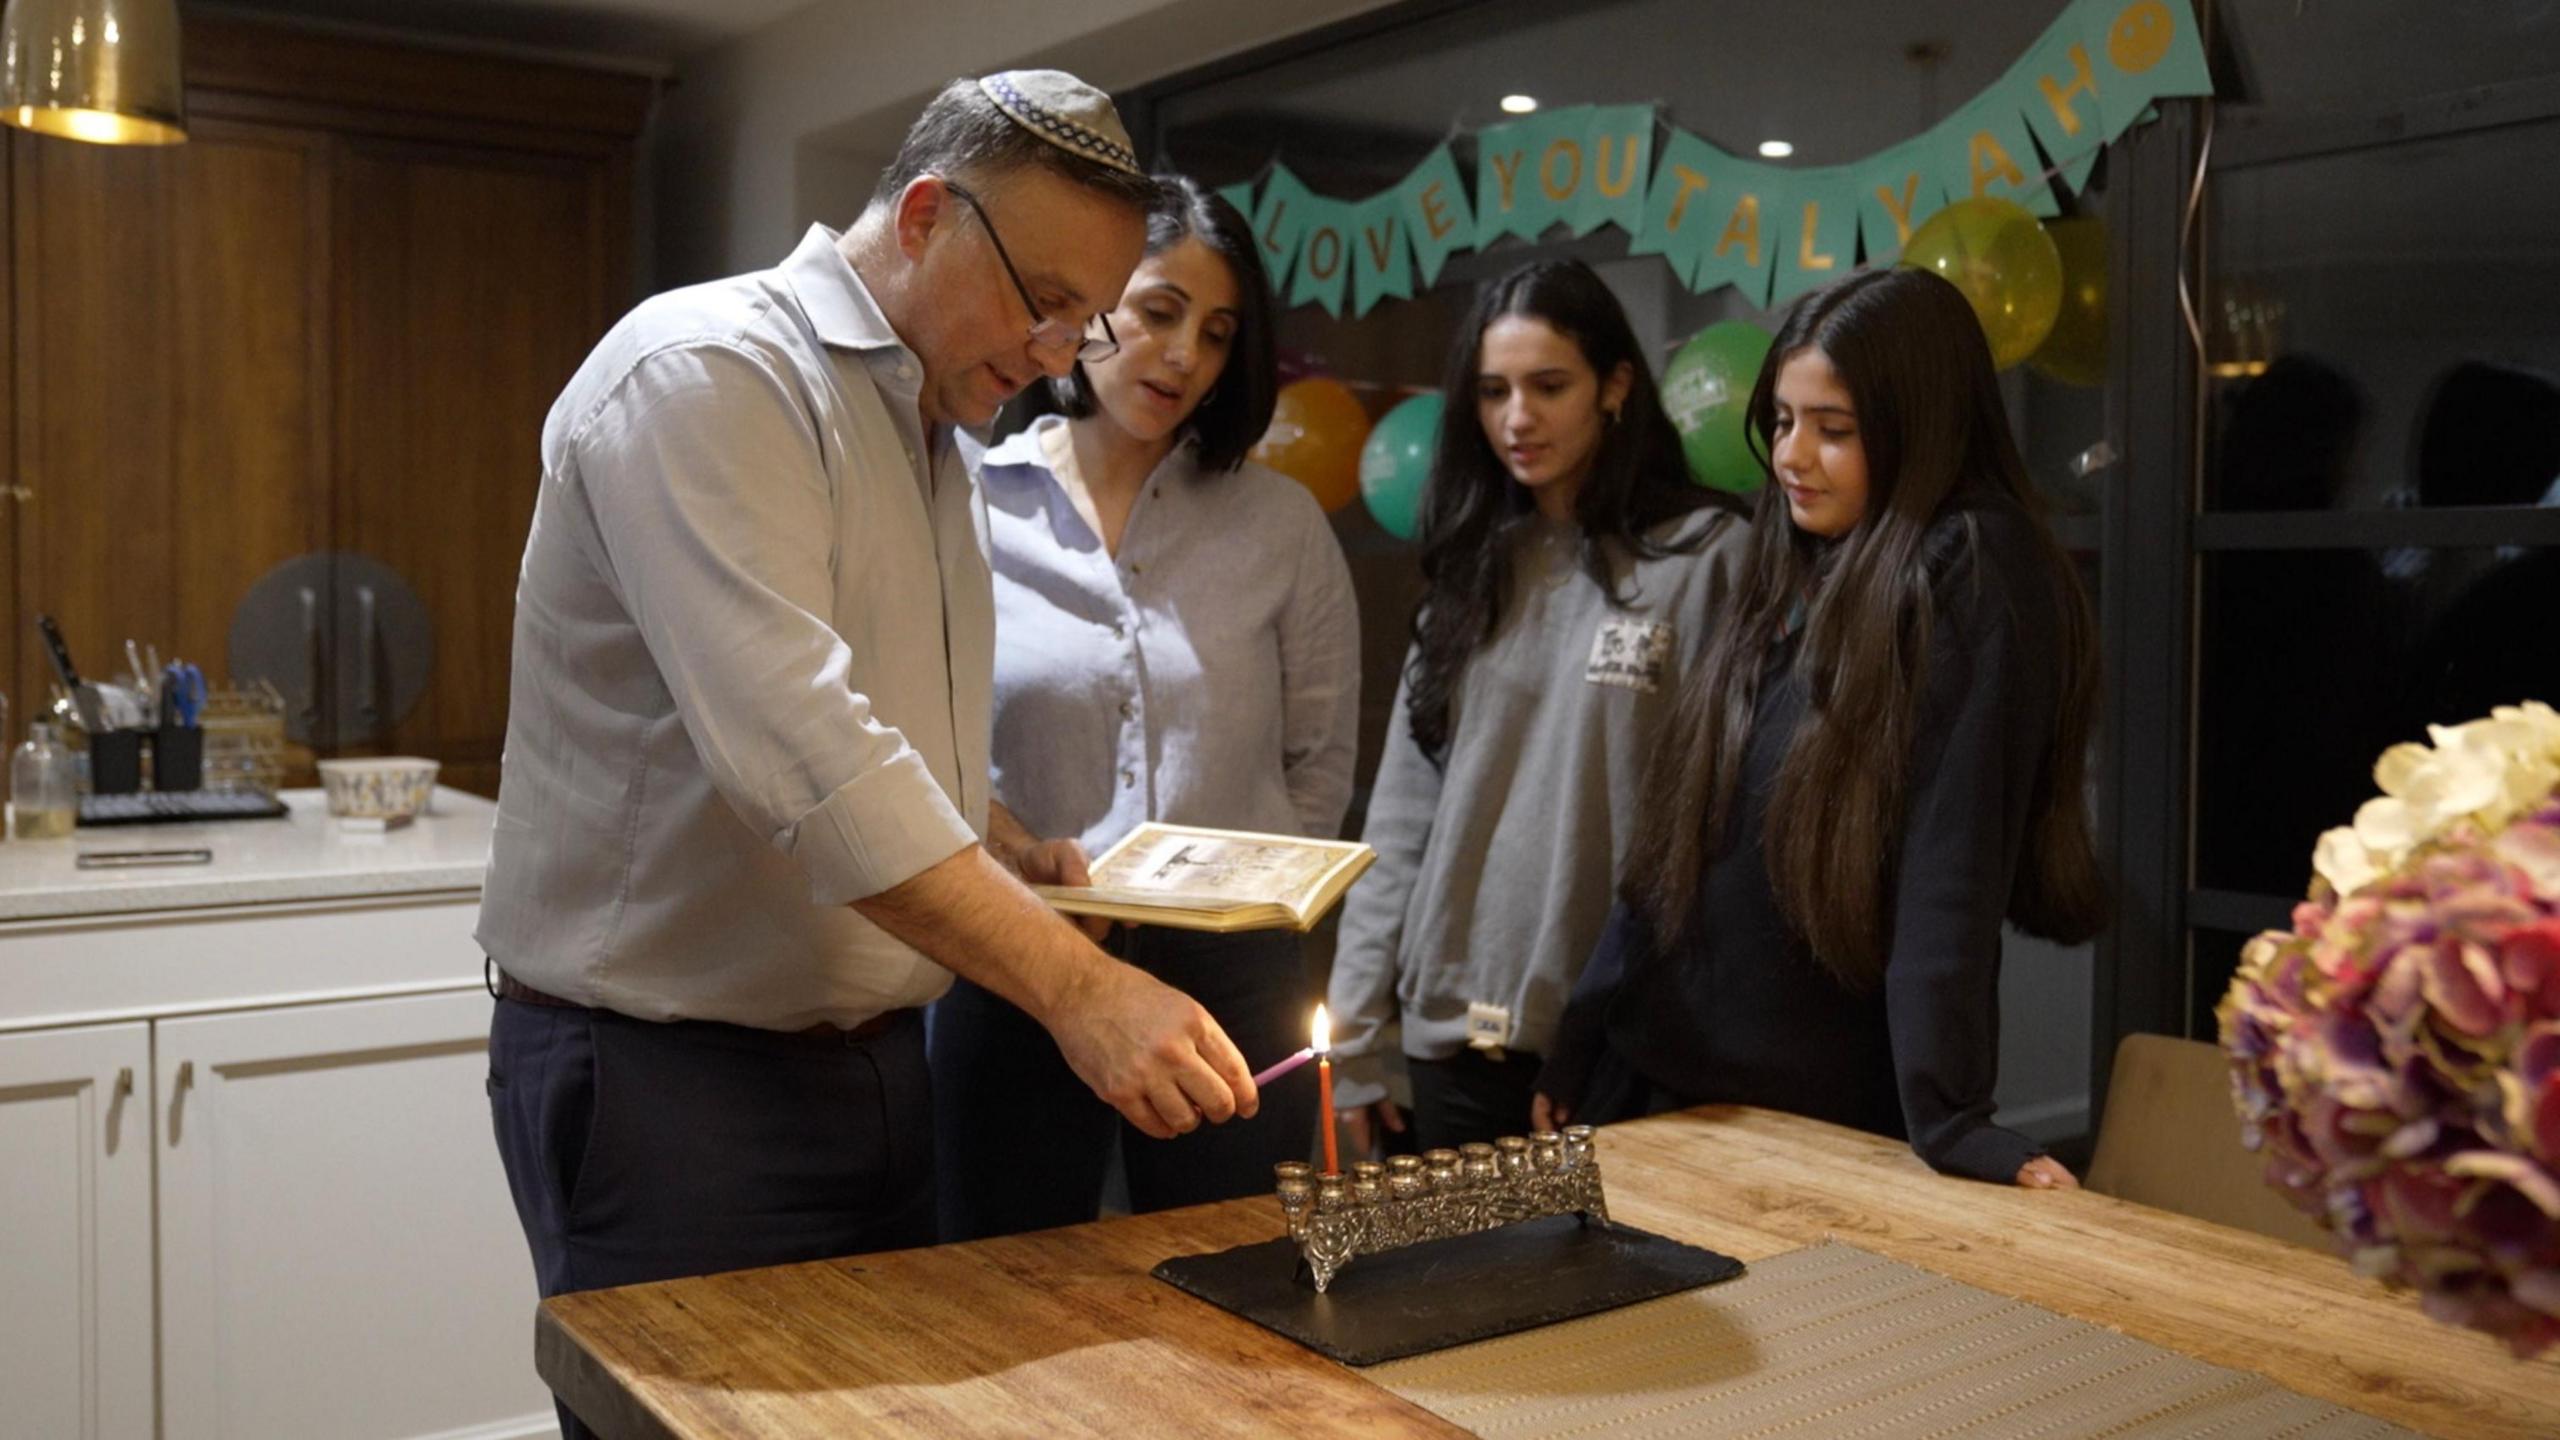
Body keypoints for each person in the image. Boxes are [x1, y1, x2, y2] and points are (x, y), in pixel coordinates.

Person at [475, 72, 1258, 1435]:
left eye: (1086, 314)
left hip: (883, 1065)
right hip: (674, 1081)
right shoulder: (710, 373)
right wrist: (1080, 990)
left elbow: (876, 724)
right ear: (921, 214)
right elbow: (805, 754)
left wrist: (994, 827)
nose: (1064, 348)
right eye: (1045, 297)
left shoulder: (929, 429)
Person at [1532, 267, 2105, 1189]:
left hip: (1814, 1123)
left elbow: (1951, 853)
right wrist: (1585, 1028)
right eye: (1786, 423)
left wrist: (1953, 1118)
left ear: (1918, 426)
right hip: (1654, 1084)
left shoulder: (1969, 563)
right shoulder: (1797, 548)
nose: (1793, 457)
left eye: (1834, 431)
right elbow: (1677, 827)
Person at [931, 176, 1359, 1237]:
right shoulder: (973, 501)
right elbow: (927, 740)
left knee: (1234, 1283)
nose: (1182, 357)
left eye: (1215, 334)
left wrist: (1242, 903)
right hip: (1020, 957)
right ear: (1092, 306)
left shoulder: (1280, 524)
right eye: (1159, 312)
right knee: (1007, 1283)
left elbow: (1319, 761)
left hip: (1234, 976)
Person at [1325, 258, 1747, 1155]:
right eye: (1493, 391)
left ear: (1616, 387)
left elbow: (1725, 825)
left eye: (1549, 386)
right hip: (1450, 1036)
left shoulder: (1706, 556)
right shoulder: (1472, 573)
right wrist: (1356, 1033)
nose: (1517, 418)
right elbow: (1402, 821)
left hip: (1621, 1043)